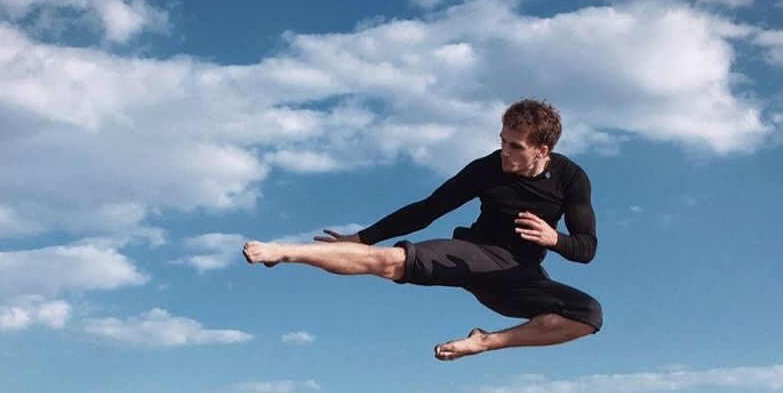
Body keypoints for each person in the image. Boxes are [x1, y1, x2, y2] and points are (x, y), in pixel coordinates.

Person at [243, 99, 602, 361]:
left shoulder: (571, 179)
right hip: (473, 254)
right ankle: (285, 252)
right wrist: (363, 237)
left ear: (542, 150)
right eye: (502, 140)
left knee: (588, 315)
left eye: (515, 146)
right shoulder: (487, 169)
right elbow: (428, 209)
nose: (503, 151)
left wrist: (554, 239)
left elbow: (586, 248)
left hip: (517, 275)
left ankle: (486, 342)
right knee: (388, 261)